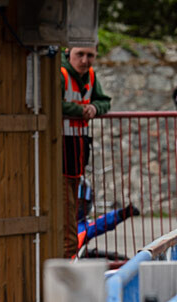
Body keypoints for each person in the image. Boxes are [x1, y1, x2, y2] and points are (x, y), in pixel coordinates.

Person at [61, 45, 111, 257]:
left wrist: (94, 108)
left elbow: (104, 101)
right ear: (68, 52)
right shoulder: (61, 74)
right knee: (67, 218)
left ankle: (68, 256)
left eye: (90, 55)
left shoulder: (90, 75)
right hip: (61, 151)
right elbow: (53, 103)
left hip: (78, 151)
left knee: (72, 212)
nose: (84, 60)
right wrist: (81, 110)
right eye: (80, 54)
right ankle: (66, 258)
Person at [73, 176, 139, 257]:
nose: (76, 206)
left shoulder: (85, 227)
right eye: (75, 202)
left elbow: (101, 223)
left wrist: (122, 214)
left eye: (80, 202)